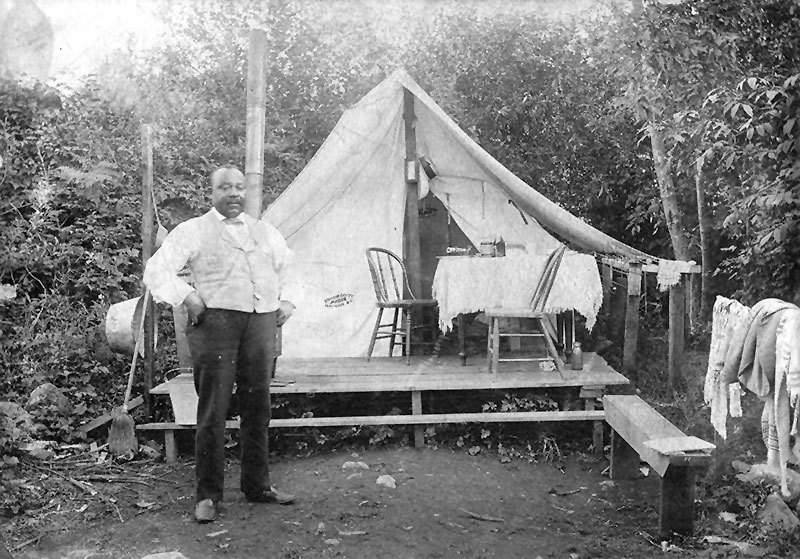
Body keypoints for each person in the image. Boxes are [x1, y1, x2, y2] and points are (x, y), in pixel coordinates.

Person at [144, 164, 297, 523]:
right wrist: (186, 295)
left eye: (239, 187)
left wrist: (288, 301)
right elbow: (156, 270)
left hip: (260, 324)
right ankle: (208, 495)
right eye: (225, 187)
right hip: (216, 325)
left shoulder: (265, 231)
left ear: (247, 192)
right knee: (214, 408)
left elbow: (290, 266)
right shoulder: (193, 231)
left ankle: (257, 485)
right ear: (211, 193)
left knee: (258, 404)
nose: (233, 194)